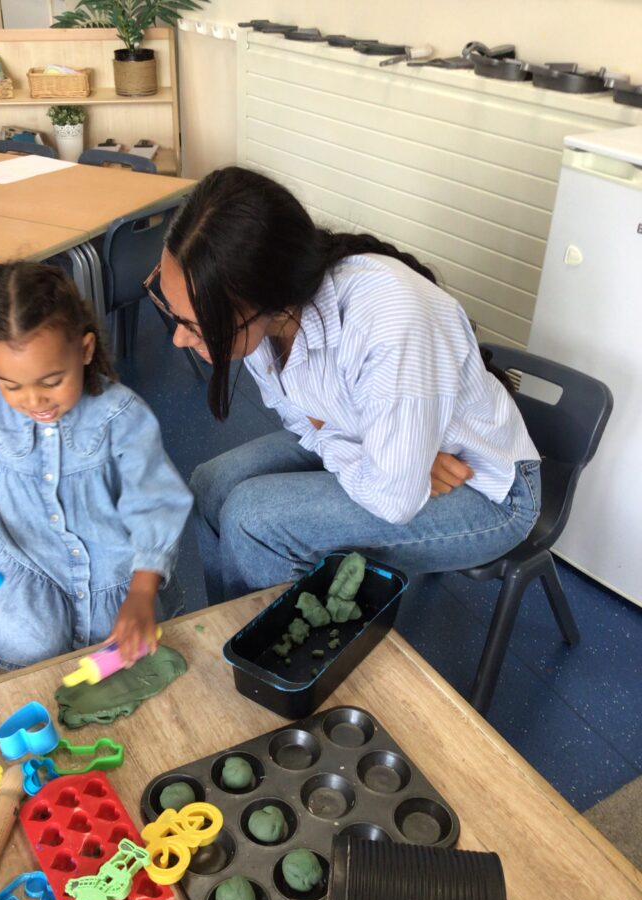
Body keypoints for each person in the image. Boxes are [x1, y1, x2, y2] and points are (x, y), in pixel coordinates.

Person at [145, 166, 541, 604]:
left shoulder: (387, 320)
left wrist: (388, 462)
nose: (178, 338)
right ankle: (233, 623)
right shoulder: (264, 324)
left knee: (254, 519)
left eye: (194, 324)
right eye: (173, 313)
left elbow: (393, 499)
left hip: (488, 490)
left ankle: (265, 642)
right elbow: (302, 421)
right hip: (369, 441)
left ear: (265, 298)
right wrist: (381, 454)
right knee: (211, 485)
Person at [0, 261, 192, 670]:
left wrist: (141, 593)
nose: (34, 401)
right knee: (33, 645)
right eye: (11, 385)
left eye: (51, 381)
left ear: (85, 350)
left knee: (122, 654)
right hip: (29, 565)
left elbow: (156, 505)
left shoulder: (121, 417)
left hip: (113, 576)